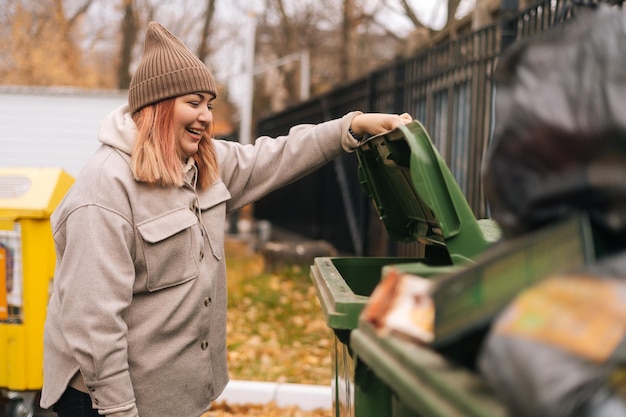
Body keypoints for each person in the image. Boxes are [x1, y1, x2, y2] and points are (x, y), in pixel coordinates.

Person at [39, 21, 413, 417]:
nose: (205, 117)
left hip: (170, 397)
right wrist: (120, 411)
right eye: (193, 102)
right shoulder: (104, 192)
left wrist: (349, 128)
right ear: (159, 106)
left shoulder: (200, 164)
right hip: (105, 402)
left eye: (209, 105)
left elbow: (276, 156)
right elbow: (94, 324)